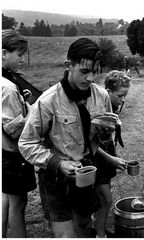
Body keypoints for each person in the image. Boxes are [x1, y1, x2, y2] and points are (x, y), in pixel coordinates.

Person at [18, 38, 126, 238]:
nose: (91, 78)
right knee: (66, 235)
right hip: (55, 178)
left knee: (84, 226)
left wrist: (103, 134)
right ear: (69, 66)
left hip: (85, 171)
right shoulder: (48, 101)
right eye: (84, 72)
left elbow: (103, 133)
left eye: (95, 71)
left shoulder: (101, 96)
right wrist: (58, 163)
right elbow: (26, 143)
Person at [2, 29, 37, 237]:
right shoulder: (7, 87)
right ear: (4, 53)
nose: (22, 60)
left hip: (3, 155)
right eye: (19, 54)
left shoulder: (7, 83)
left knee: (7, 198)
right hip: (13, 156)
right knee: (19, 205)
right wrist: (32, 110)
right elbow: (15, 131)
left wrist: (22, 102)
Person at [94, 70, 131, 237]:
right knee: (105, 199)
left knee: (103, 194)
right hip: (97, 158)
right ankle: (100, 234)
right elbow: (91, 144)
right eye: (120, 95)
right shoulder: (98, 109)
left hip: (106, 155)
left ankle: (97, 226)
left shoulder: (112, 105)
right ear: (108, 92)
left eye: (125, 96)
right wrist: (110, 158)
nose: (123, 100)